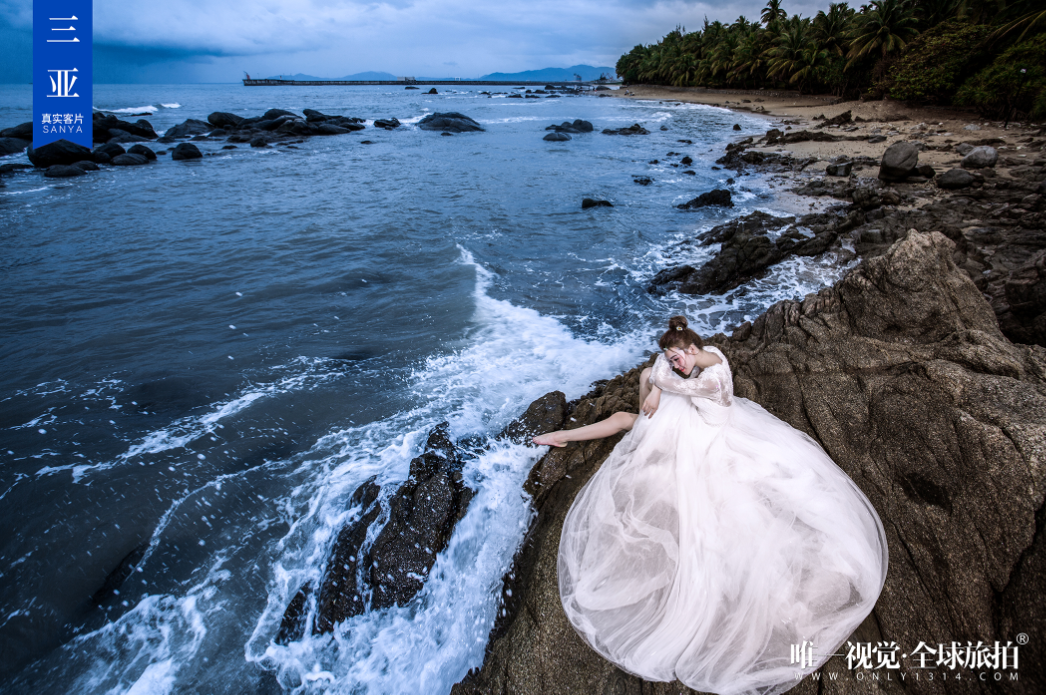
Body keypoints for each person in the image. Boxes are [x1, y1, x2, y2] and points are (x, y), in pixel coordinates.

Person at [533, 315, 888, 695]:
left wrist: (656, 386)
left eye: (679, 356)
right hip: (685, 417)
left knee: (630, 420)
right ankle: (564, 437)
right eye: (671, 356)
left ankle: (569, 436)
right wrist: (656, 378)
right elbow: (662, 366)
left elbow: (668, 378)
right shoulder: (707, 354)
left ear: (692, 351)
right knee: (632, 405)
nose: (675, 361)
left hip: (703, 437)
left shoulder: (713, 378)